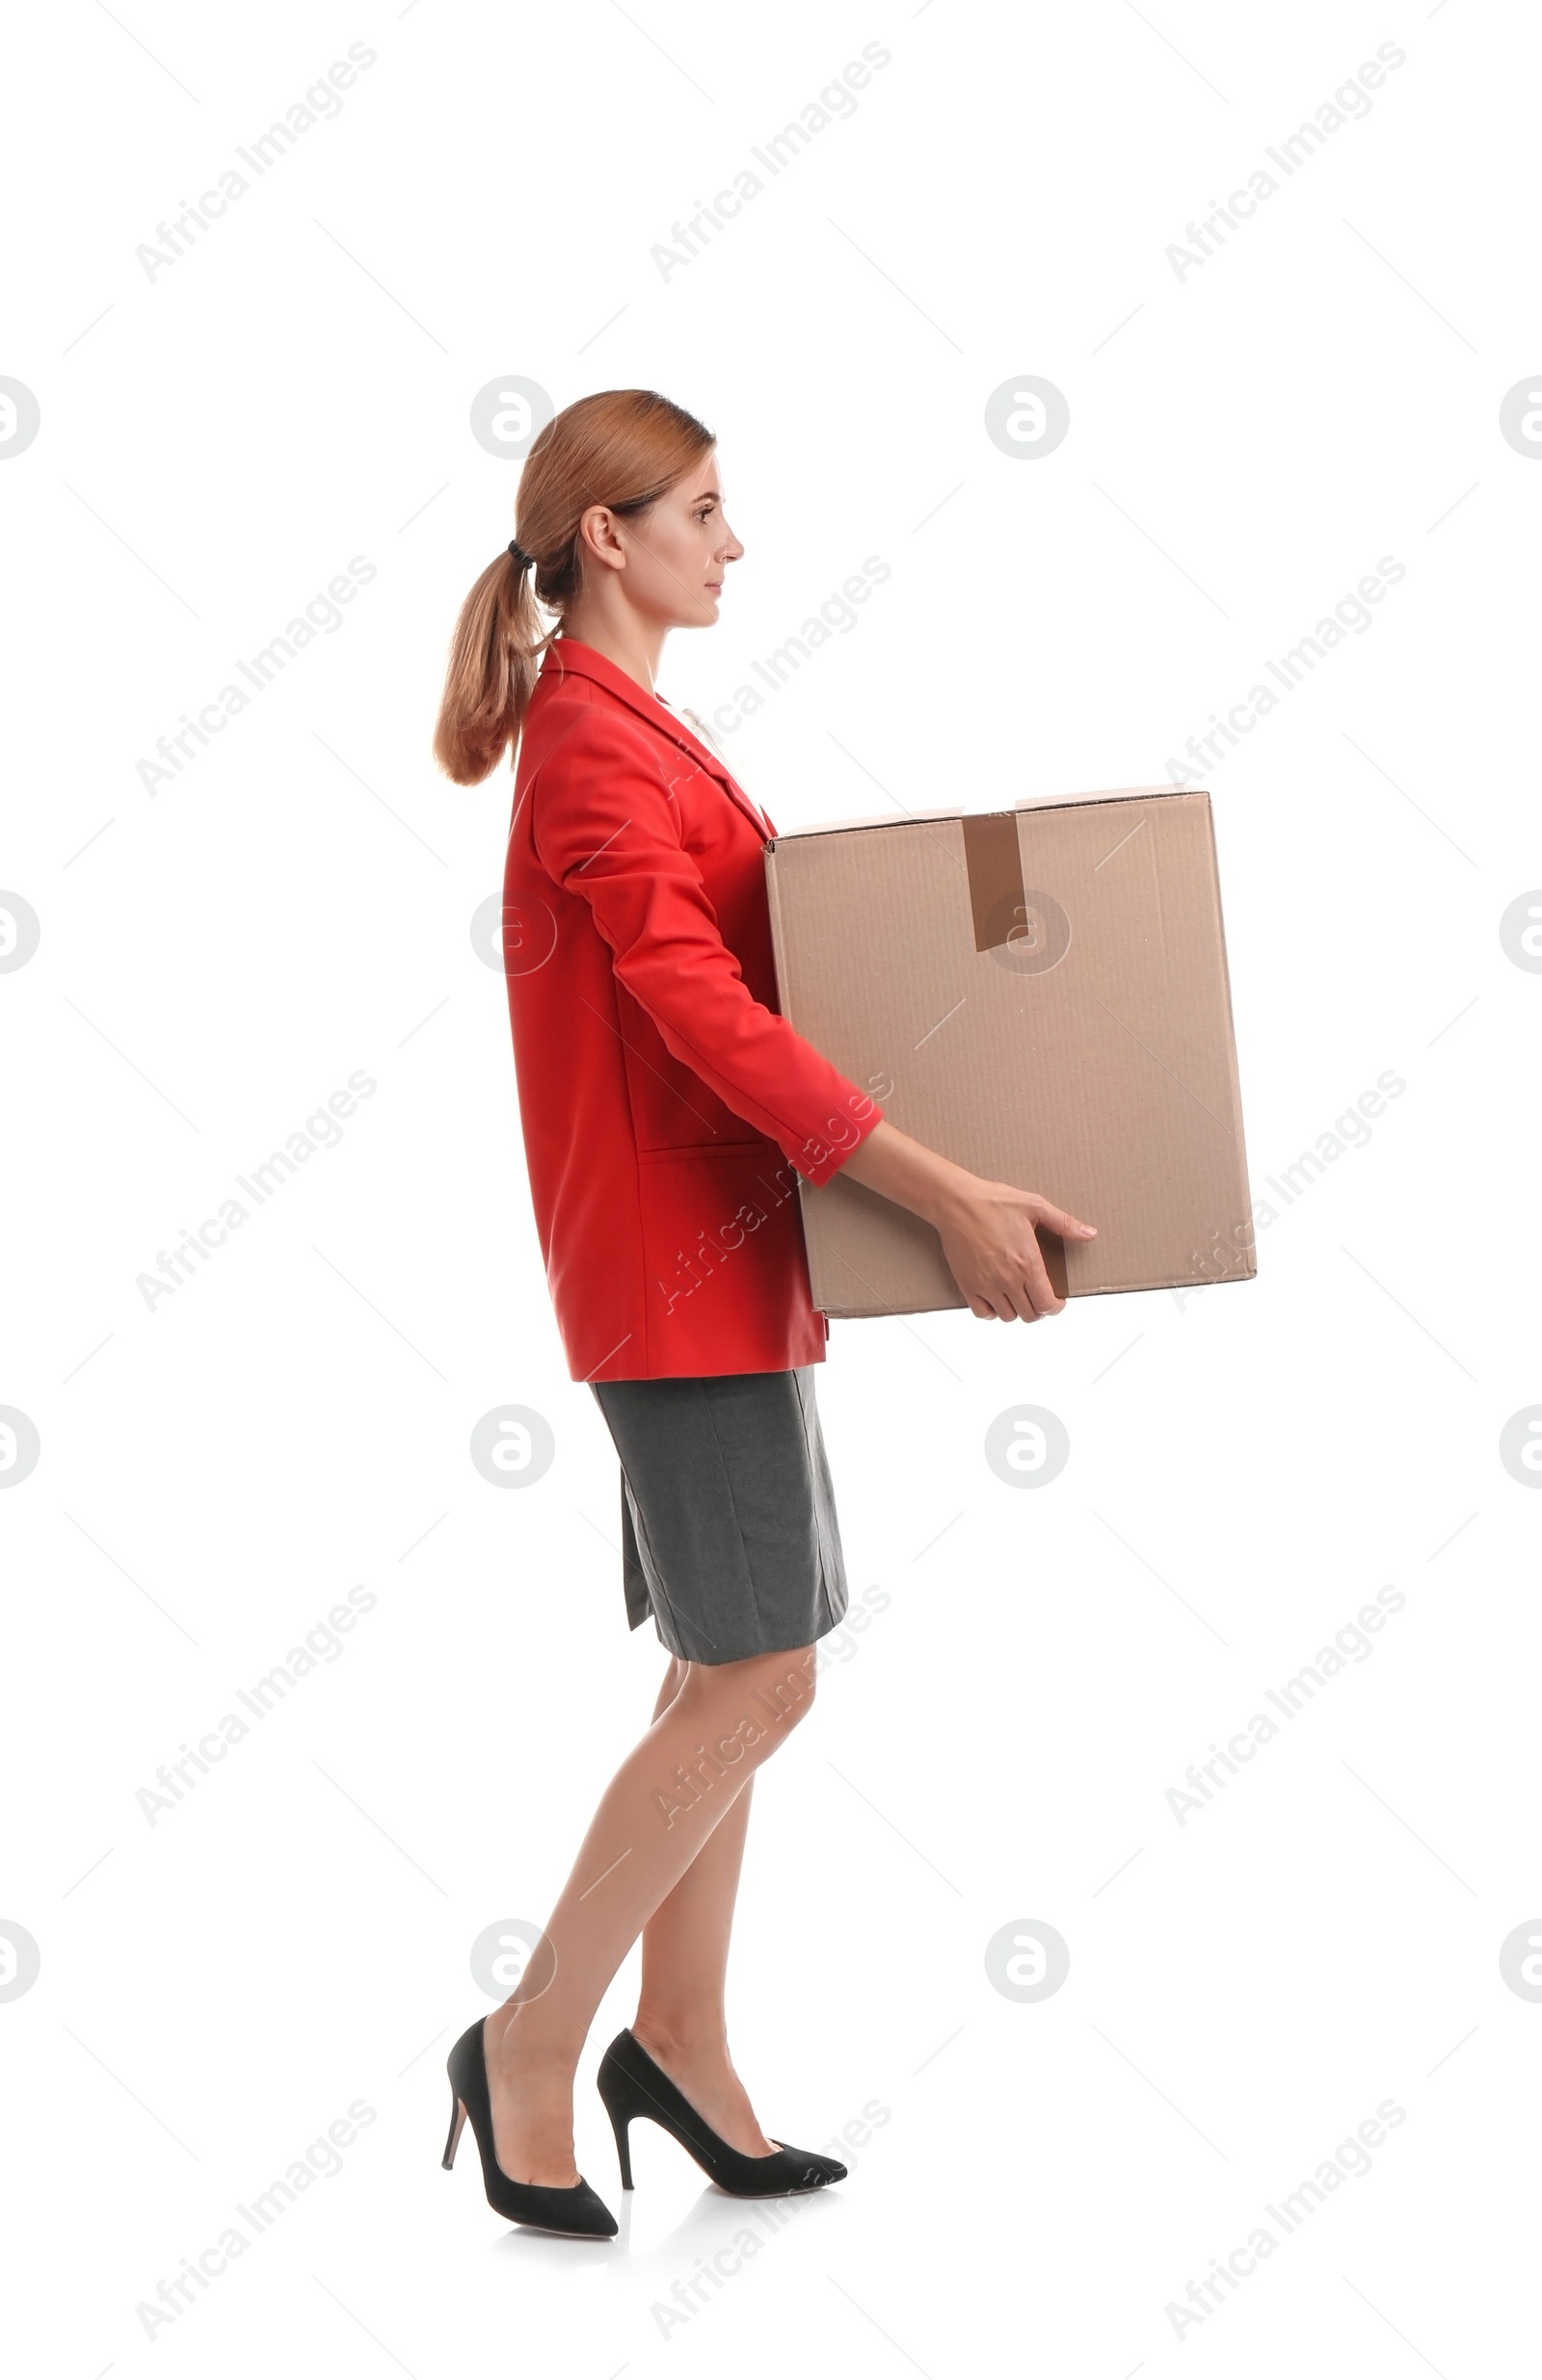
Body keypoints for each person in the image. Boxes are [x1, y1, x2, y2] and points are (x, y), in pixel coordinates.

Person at [432, 388, 1096, 2237]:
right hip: (672, 1261)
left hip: (729, 1250)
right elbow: (699, 1016)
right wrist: (943, 1187)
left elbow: (759, 965)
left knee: (733, 1653)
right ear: (610, 537)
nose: (736, 545)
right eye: (708, 512)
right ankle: (530, 2040)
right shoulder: (589, 745)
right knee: (765, 1669)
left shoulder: (637, 723)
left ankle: (687, 2041)